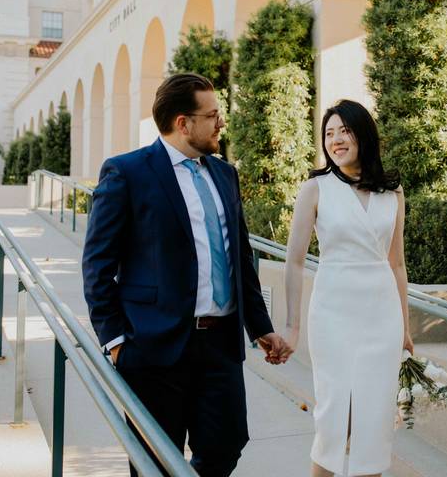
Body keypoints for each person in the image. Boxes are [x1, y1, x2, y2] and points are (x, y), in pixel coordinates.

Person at [81, 73, 287, 477]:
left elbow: (239, 256)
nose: (220, 122)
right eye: (211, 115)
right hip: (152, 347)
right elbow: (97, 264)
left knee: (227, 444)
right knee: (155, 462)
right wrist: (117, 341)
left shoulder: (224, 174)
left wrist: (259, 326)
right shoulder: (128, 173)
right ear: (183, 123)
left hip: (220, 344)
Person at [280, 99, 413, 477]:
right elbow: (294, 260)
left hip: (381, 316)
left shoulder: (393, 191)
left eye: (344, 131)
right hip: (334, 313)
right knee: (335, 418)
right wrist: (292, 324)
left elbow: (397, 263)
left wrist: (404, 327)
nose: (336, 140)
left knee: (374, 422)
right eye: (329, 134)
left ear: (363, 135)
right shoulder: (316, 188)